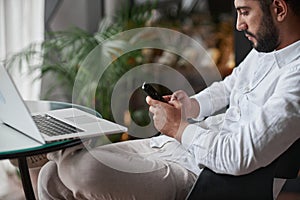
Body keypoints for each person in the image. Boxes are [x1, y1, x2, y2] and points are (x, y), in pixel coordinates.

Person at [38, 0, 300, 199]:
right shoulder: (266, 50)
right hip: (177, 147)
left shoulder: (296, 77)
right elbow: (228, 88)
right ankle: (58, 148)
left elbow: (239, 156)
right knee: (49, 177)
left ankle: (56, 147)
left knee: (82, 170)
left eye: (244, 12)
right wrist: (189, 105)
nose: (238, 25)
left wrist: (177, 127)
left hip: (204, 176)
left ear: (278, 9)